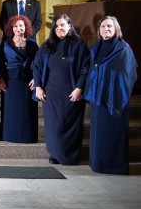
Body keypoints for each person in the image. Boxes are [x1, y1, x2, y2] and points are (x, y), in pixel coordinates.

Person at [32, 14, 89, 165]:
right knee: (53, 126)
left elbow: (85, 68)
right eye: (56, 26)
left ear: (70, 26)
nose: (59, 28)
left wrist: (79, 88)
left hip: (72, 92)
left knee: (70, 125)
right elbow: (36, 66)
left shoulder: (79, 45)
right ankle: (55, 155)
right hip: (51, 93)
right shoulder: (47, 45)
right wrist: (38, 87)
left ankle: (70, 156)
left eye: (63, 25)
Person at [84, 16, 138, 175]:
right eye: (102, 27)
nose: (106, 29)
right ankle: (98, 164)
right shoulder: (95, 47)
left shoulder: (123, 48)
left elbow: (129, 72)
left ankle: (115, 166)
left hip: (116, 97)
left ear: (116, 29)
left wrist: (113, 84)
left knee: (113, 133)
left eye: (109, 26)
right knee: (98, 132)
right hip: (98, 97)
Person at [0, 15, 39, 143]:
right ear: (11, 29)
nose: (19, 28)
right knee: (11, 110)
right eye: (15, 26)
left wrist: (36, 79)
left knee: (27, 110)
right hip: (10, 81)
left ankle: (27, 137)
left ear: (26, 28)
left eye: (21, 26)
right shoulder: (6, 43)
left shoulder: (32, 43)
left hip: (28, 81)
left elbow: (38, 62)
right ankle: (11, 136)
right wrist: (0, 78)